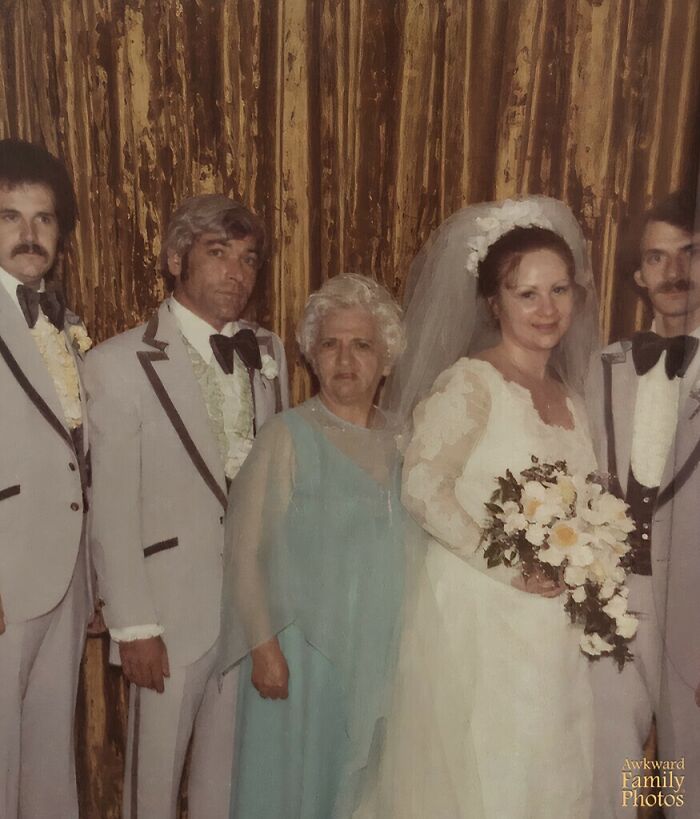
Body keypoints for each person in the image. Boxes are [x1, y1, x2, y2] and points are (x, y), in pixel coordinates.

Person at [355, 197, 601, 818]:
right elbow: (421, 488)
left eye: (559, 290)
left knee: (551, 770)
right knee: (491, 774)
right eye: (527, 294)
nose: (547, 309)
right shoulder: (471, 382)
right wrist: (511, 566)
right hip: (481, 618)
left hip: (553, 626)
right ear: (495, 303)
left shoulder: (572, 399)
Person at [83, 194, 288, 819]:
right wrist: (134, 626)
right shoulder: (117, 363)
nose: (236, 273)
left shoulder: (265, 348)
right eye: (217, 254)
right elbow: (111, 506)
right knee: (154, 779)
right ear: (176, 260)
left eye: (248, 259)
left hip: (246, 611)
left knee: (225, 783)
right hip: (168, 615)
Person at [218, 273, 408, 819]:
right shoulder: (286, 434)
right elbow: (245, 552)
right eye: (331, 344)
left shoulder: (406, 440)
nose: (345, 359)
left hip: (381, 655)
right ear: (311, 356)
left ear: (388, 359)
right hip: (302, 657)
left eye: (362, 345)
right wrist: (263, 648)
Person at [586, 189, 700, 817]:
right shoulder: (604, 367)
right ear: (637, 275)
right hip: (612, 604)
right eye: (657, 259)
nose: (674, 272)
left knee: (687, 774)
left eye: (690, 253)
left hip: (695, 610)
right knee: (617, 768)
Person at [0, 138, 92, 818]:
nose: (30, 235)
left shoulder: (60, 317)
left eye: (44, 219)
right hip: (5, 575)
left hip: (64, 575)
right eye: (9, 217)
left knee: (48, 765)